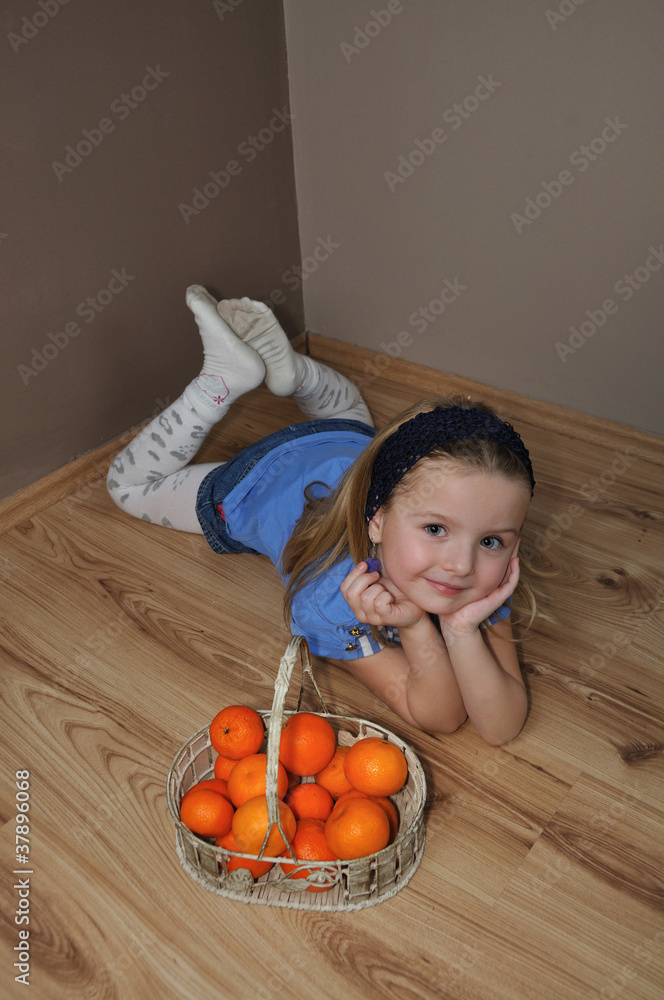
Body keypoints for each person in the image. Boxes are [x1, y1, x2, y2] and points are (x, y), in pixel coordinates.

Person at [107, 286, 536, 745]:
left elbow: (499, 726)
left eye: (491, 540)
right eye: (435, 529)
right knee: (125, 487)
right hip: (261, 475)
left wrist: (460, 628)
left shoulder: (474, 577)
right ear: (377, 519)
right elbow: (441, 716)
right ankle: (222, 381)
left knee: (349, 414)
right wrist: (416, 626)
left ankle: (291, 372)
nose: (461, 565)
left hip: (354, 442)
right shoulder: (332, 597)